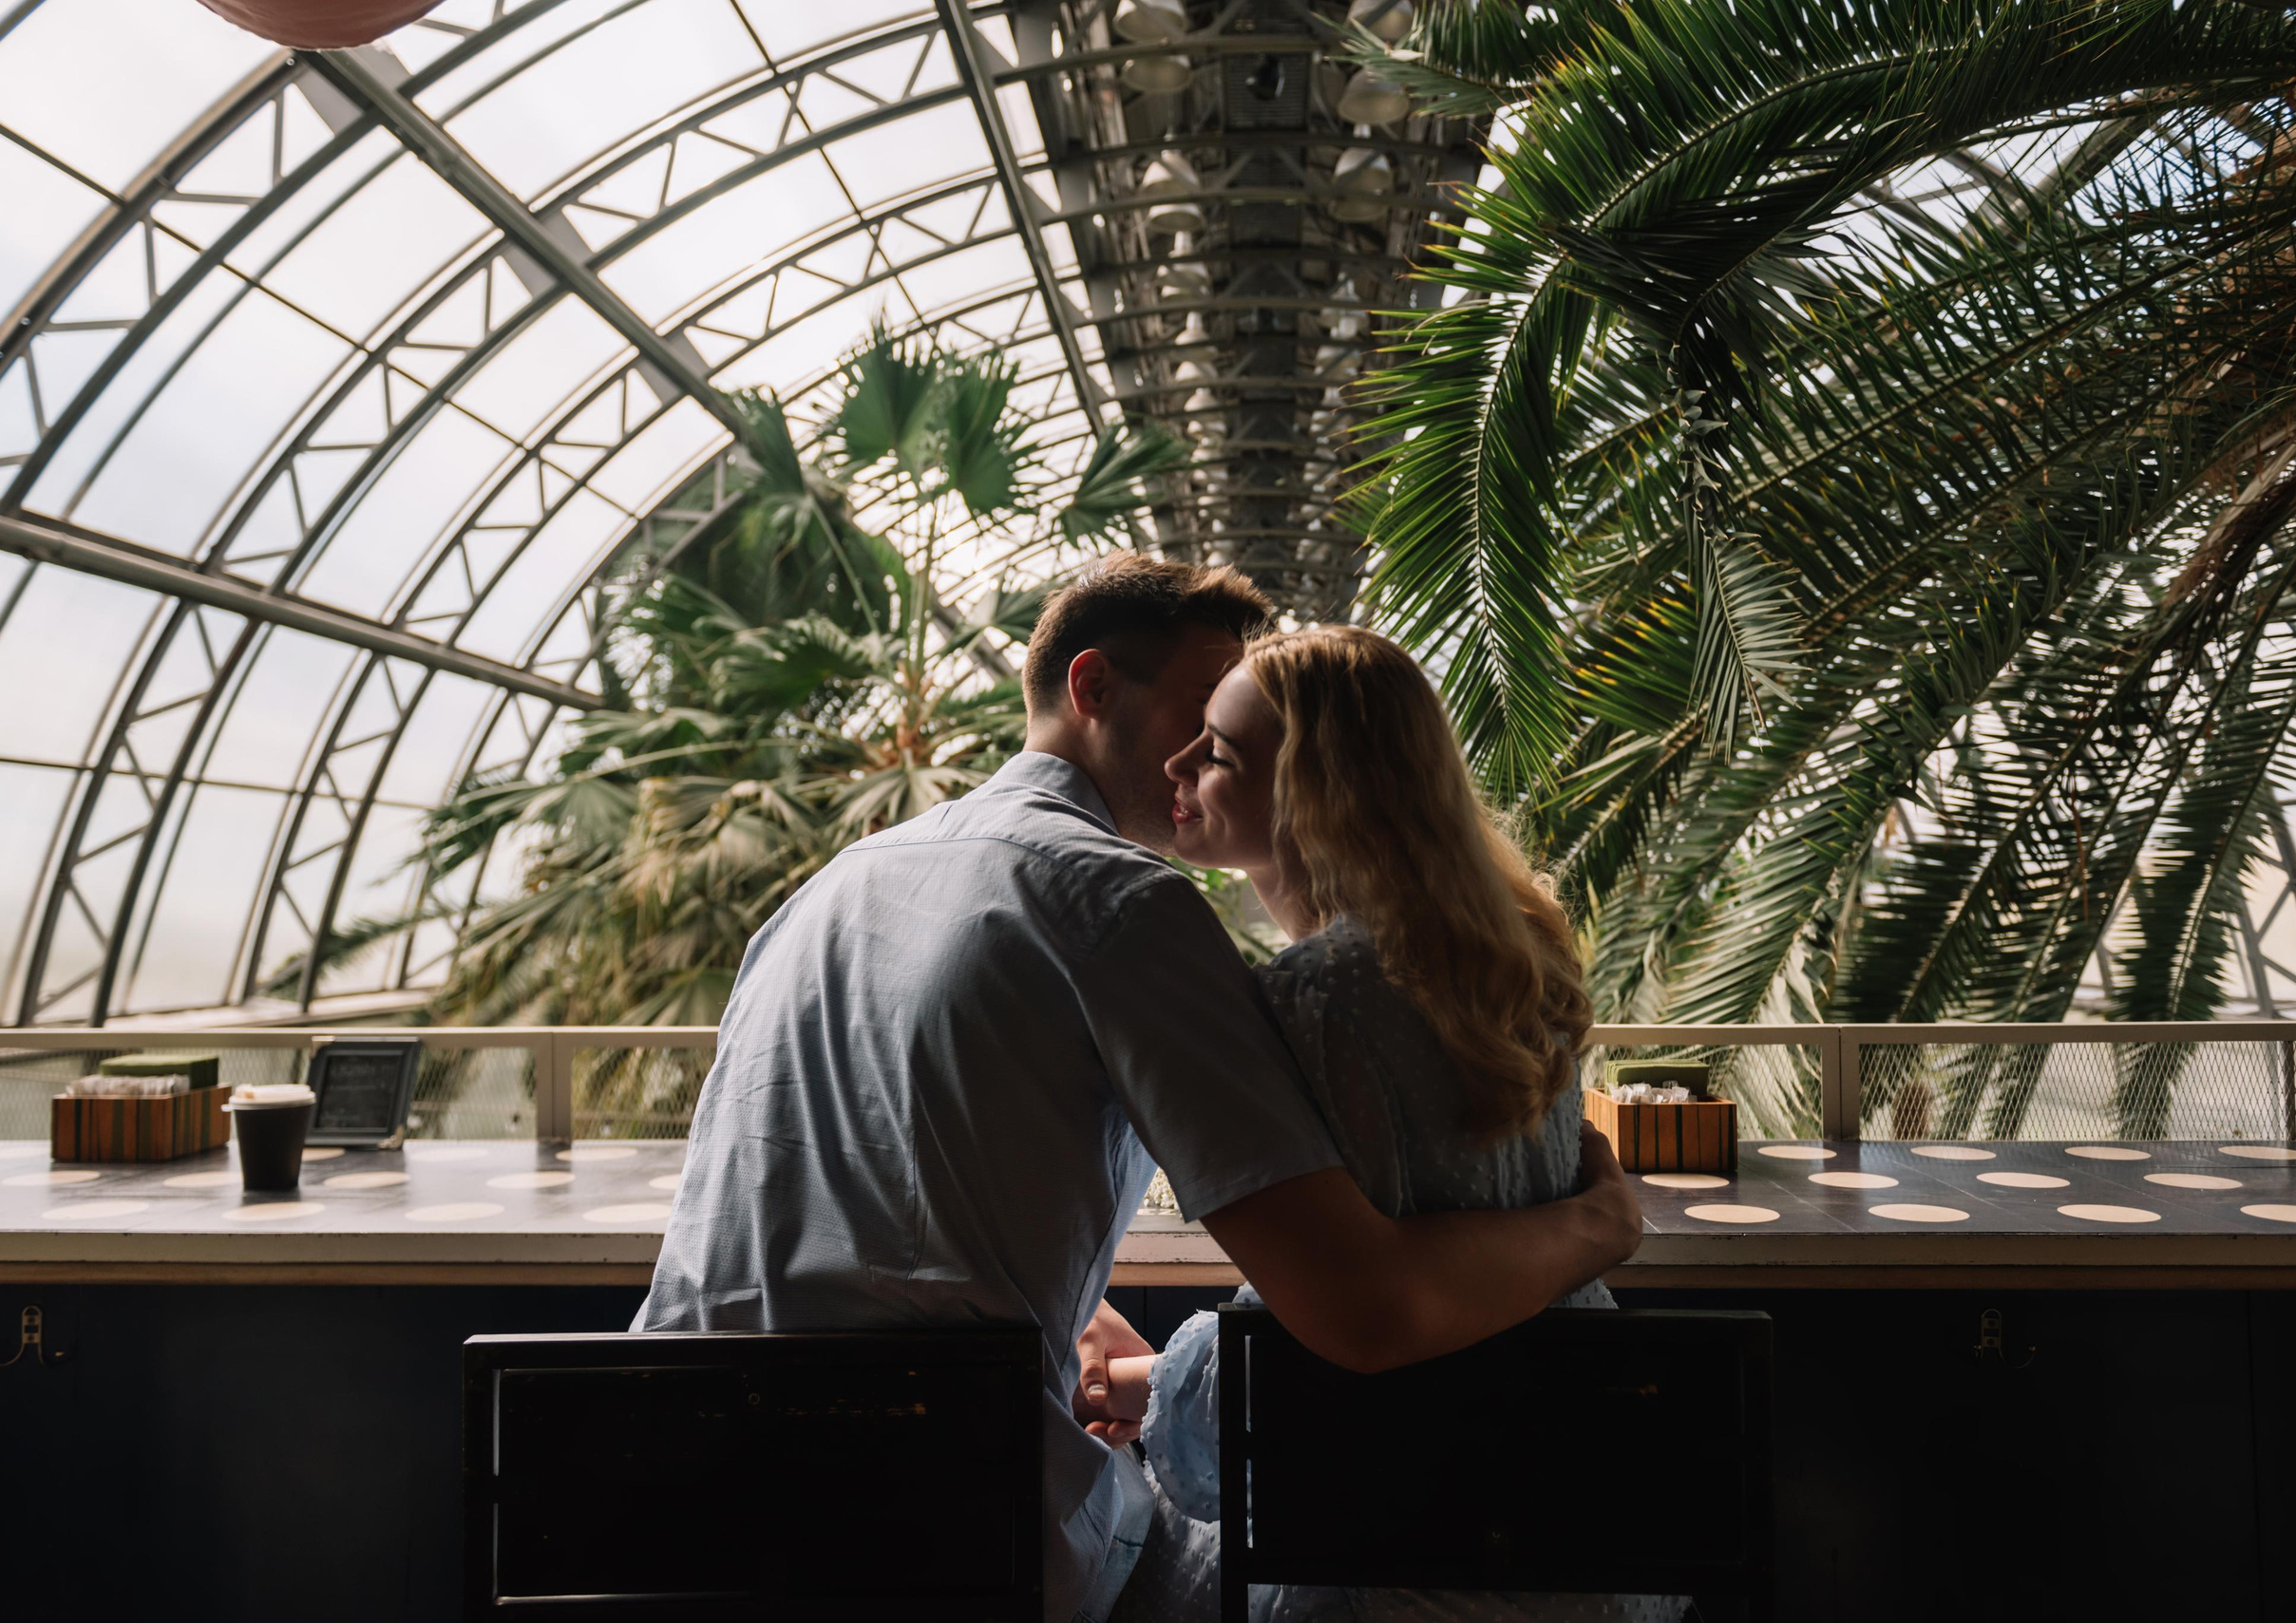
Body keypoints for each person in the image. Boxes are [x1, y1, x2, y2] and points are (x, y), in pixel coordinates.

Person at [636, 557, 1645, 1623]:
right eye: (1196, 706)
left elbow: (845, 1188)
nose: (1198, 747)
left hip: (662, 1501)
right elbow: (1362, 1305)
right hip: (937, 1529)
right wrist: (1600, 1218)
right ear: (1092, 688)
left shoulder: (828, 890)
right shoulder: (1117, 900)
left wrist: (1061, 1301)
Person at [1102, 624, 1685, 1623]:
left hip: (1407, 1525)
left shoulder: (1321, 992)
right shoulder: (1514, 964)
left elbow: (1361, 1321)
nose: (1178, 763)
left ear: (1316, 795)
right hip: (1570, 1491)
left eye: (1219, 751)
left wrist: (1136, 1377)